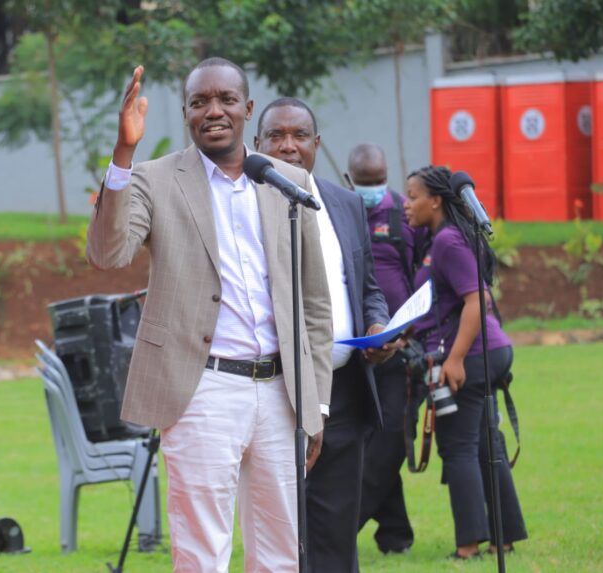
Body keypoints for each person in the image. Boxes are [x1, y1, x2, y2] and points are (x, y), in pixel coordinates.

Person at [86, 59, 334, 572]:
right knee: (201, 553)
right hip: (202, 389)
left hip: (281, 394)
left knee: (283, 553)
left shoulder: (288, 182)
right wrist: (125, 152)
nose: (213, 111)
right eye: (199, 102)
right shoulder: (154, 179)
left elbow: (313, 305)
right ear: (185, 114)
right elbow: (108, 254)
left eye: (225, 100)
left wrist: (317, 404)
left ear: (248, 109)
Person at [254, 97, 394, 572]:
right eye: (276, 136)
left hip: (346, 391)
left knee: (336, 535)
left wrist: (377, 325)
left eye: (299, 135)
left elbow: (367, 285)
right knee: (282, 535)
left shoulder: (346, 202)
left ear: (318, 144)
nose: (288, 146)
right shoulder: (243, 208)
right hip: (276, 392)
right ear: (257, 145)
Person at [404, 165, 527, 559]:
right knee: (485, 444)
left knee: (459, 448)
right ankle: (503, 538)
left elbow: (479, 301)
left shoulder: (447, 242)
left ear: (436, 200)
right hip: (488, 351)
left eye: (412, 197)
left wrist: (454, 359)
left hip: (471, 356)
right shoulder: (445, 237)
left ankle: (468, 546)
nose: (407, 205)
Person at [347, 143, 418, 555]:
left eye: (379, 182)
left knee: (388, 442)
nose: (374, 190)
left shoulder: (403, 215)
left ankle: (338, 530)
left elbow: (420, 272)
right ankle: (395, 536)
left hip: (401, 353)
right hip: (357, 353)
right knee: (372, 440)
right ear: (353, 180)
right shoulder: (343, 214)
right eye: (366, 183)